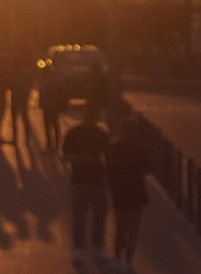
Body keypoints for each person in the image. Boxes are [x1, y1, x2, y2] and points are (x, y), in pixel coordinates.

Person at [62, 100, 111, 263]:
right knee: (79, 216)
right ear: (85, 116)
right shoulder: (74, 133)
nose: (92, 119)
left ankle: (98, 247)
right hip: (80, 180)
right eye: (90, 116)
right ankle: (78, 248)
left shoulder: (102, 134)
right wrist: (80, 158)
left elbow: (109, 156)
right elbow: (65, 155)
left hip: (98, 180)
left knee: (99, 215)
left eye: (94, 117)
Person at [106, 116, 152, 270]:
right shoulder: (140, 148)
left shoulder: (112, 148)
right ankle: (128, 261)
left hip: (119, 191)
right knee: (134, 229)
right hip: (137, 191)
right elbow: (150, 168)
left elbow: (108, 169)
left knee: (120, 227)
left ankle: (117, 257)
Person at [38, 65, 65, 150]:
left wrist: (41, 104)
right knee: (55, 125)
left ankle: (51, 144)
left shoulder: (45, 82)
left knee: (48, 126)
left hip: (49, 106)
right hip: (53, 106)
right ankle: (56, 144)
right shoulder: (55, 81)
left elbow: (42, 95)